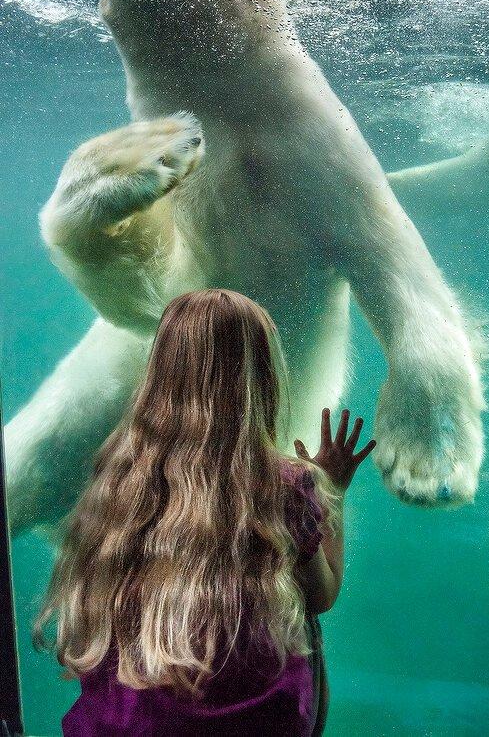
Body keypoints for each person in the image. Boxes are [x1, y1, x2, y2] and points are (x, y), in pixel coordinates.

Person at [34, 289, 376, 736]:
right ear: (264, 378)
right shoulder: (283, 485)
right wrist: (332, 491)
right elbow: (320, 594)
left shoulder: (121, 482)